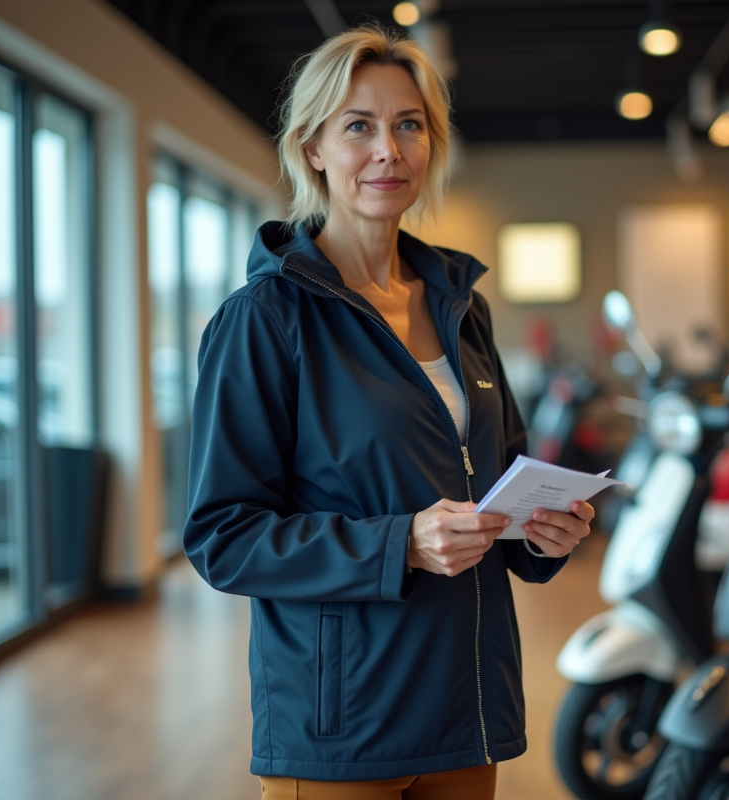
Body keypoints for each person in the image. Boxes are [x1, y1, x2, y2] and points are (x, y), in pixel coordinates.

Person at [183, 25, 594, 800]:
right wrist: (400, 543)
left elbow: (499, 481)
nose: (389, 151)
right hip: (343, 724)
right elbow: (222, 537)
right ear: (312, 148)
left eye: (409, 125)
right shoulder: (265, 319)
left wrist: (546, 532)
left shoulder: (460, 309)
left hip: (469, 709)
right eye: (358, 127)